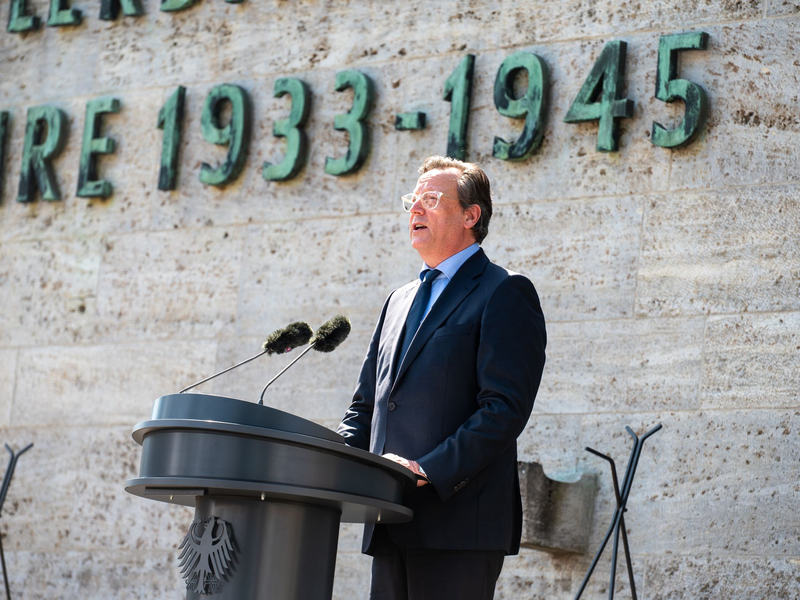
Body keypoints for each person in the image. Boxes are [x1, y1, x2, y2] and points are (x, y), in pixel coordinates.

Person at [337, 155, 547, 600]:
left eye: (430, 199)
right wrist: (330, 460)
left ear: (471, 215)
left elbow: (503, 410)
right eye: (413, 200)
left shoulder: (504, 291)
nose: (415, 209)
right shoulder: (398, 299)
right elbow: (366, 407)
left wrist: (428, 469)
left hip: (458, 525)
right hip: (390, 518)